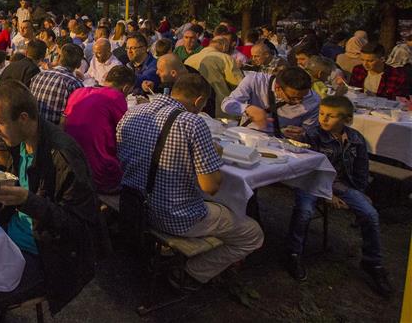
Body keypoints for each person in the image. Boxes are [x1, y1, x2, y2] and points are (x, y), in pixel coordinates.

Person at [0, 80, 100, 315]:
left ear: (23, 118)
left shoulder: (62, 156)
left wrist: (27, 201)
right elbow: (13, 176)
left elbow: (79, 227)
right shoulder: (21, 141)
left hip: (46, 257)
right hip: (9, 238)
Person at [117, 74, 264, 290]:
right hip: (172, 216)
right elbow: (211, 187)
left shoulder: (133, 112)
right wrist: (210, 155)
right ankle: (191, 272)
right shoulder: (192, 122)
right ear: (199, 101)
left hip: (133, 205)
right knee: (253, 233)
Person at [284, 96, 393, 296]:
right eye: (321, 114)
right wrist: (327, 194)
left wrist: (358, 194)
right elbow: (308, 170)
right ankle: (294, 252)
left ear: (347, 120)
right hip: (312, 183)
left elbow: (361, 171)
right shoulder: (312, 136)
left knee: (370, 214)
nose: (323, 119)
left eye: (331, 116)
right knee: (305, 211)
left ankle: (373, 263)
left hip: (342, 185)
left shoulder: (356, 139)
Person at [63, 65, 133, 194]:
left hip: (69, 163)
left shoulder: (78, 92)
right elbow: (127, 132)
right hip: (99, 172)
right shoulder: (115, 97)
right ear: (126, 88)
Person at [221, 67, 319, 137]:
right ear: (278, 88)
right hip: (248, 135)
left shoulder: (313, 100)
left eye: (303, 97)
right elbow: (226, 104)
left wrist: (302, 133)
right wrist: (247, 109)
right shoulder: (255, 80)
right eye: (293, 98)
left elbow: (311, 131)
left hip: (283, 143)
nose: (299, 101)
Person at [184, 37, 244, 117]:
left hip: (192, 109)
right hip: (219, 111)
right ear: (225, 46)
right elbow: (239, 86)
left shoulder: (189, 59)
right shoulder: (225, 58)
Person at [29, 43, 84, 124]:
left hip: (33, 126)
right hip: (55, 132)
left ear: (58, 59)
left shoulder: (39, 75)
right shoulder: (75, 84)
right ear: (79, 64)